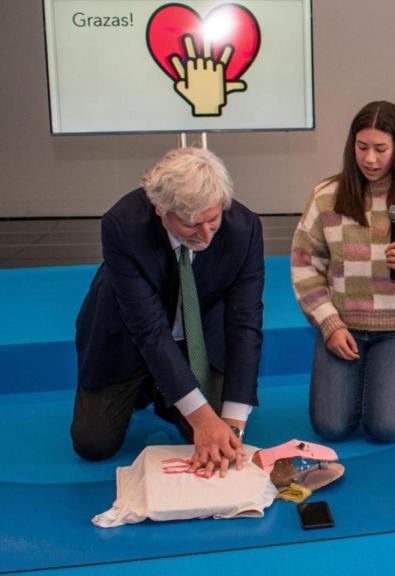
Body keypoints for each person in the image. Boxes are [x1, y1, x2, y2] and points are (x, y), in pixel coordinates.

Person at [71, 147, 265, 478]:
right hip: (127, 334)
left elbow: (245, 322)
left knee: (210, 437)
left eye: (213, 220)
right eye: (192, 224)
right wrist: (203, 419)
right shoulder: (122, 226)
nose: (206, 236)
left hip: (198, 336)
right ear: (162, 211)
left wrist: (232, 425)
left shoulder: (245, 229)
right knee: (93, 444)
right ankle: (151, 388)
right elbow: (148, 331)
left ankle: (169, 395)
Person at [292, 101, 395, 444]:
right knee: (331, 427)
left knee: (385, 429)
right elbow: (304, 265)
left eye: (381, 149)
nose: (370, 159)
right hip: (343, 329)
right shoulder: (326, 198)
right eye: (362, 147)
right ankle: (376, 377)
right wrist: (330, 325)